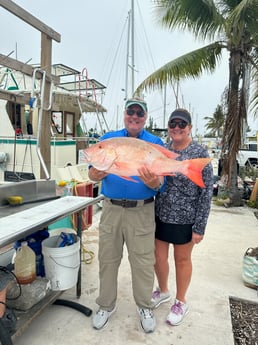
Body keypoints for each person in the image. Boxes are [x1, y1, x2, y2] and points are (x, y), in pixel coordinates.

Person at [88, 97, 165, 333]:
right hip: (110, 209)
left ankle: (145, 306)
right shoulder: (108, 140)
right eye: (131, 112)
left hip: (142, 211)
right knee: (108, 260)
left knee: (143, 262)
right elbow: (92, 174)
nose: (134, 116)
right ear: (124, 114)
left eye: (139, 113)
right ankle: (106, 305)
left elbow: (160, 183)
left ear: (145, 117)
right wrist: (97, 174)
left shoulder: (155, 142)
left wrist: (154, 183)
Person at [151, 108, 213, 326]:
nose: (177, 128)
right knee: (158, 258)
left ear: (189, 128)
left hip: (186, 218)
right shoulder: (163, 150)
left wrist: (200, 226)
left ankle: (181, 301)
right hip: (161, 214)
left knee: (182, 260)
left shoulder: (199, 153)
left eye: (182, 124)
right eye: (173, 124)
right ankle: (164, 290)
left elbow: (206, 193)